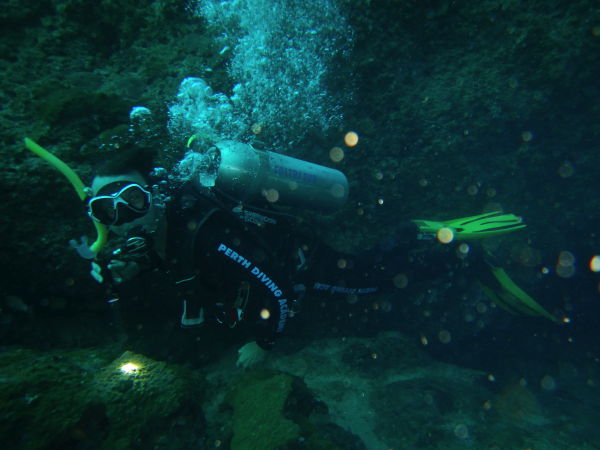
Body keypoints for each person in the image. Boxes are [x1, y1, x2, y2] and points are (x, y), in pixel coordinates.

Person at [23, 132, 557, 367]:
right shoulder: (156, 228)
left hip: (301, 265)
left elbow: (275, 287)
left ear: (153, 190)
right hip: (282, 254)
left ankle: (454, 250)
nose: (124, 217)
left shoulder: (200, 231)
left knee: (371, 279)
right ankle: (417, 233)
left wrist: (266, 344)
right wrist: (116, 267)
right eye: (107, 211)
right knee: (369, 270)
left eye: (132, 200)